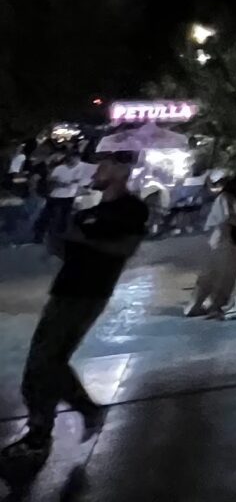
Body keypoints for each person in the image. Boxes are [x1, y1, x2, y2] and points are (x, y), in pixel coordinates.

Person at [5, 158, 146, 459]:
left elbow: (126, 249)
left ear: (120, 174)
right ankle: (67, 418)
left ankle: (44, 431)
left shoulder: (131, 209)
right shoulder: (88, 212)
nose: (95, 173)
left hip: (88, 294)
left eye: (103, 168)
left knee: (44, 362)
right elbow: (70, 250)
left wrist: (82, 240)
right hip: (66, 289)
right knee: (46, 362)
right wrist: (56, 243)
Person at [187, 175, 236, 318]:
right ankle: (201, 306)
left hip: (230, 242)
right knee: (214, 274)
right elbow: (228, 218)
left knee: (226, 275)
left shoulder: (235, 199)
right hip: (220, 241)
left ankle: (214, 305)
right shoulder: (225, 198)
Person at [34, 153, 83, 249]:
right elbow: (51, 181)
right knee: (47, 216)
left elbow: (81, 184)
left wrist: (78, 195)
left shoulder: (80, 170)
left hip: (69, 197)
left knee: (64, 218)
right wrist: (62, 184)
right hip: (55, 196)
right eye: (74, 160)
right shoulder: (60, 169)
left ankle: (58, 239)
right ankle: (39, 235)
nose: (76, 162)